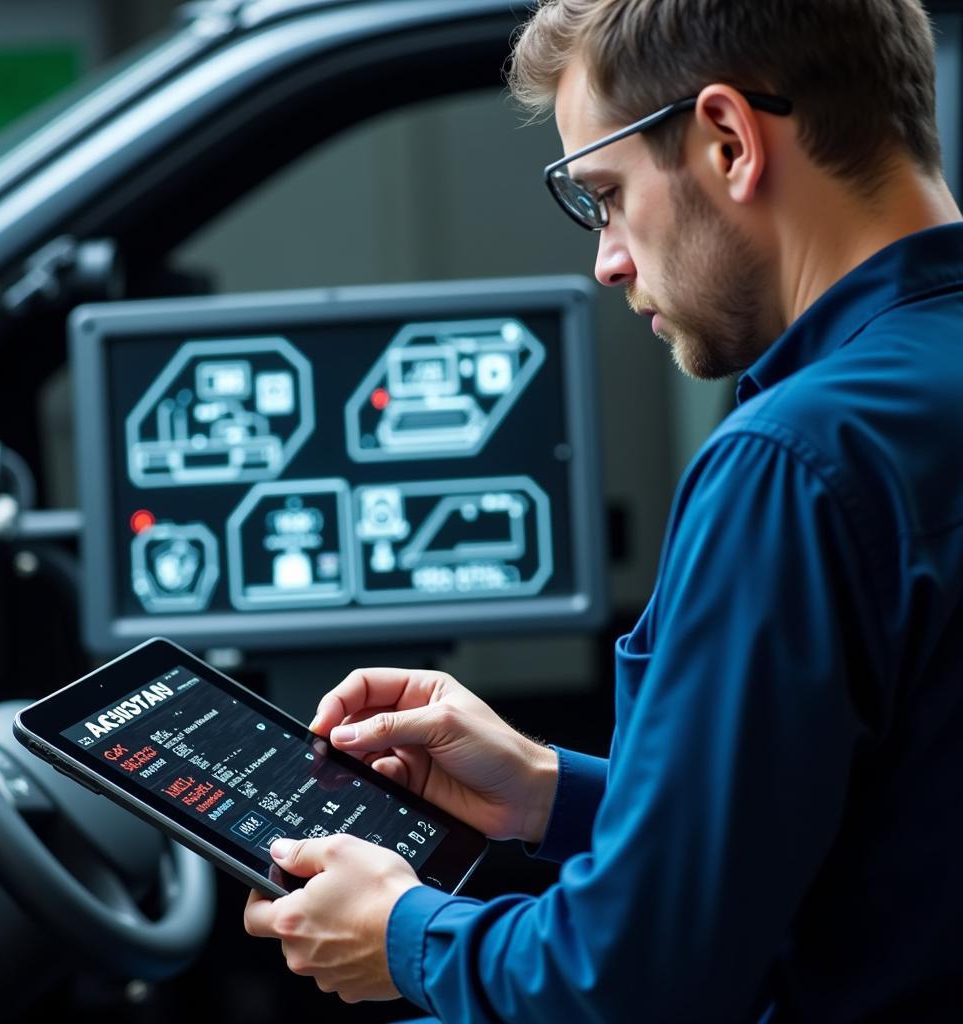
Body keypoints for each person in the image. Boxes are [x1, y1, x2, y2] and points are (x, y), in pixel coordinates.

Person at [243, 0, 963, 1019]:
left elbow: (631, 980)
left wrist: (403, 934)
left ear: (726, 139)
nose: (609, 259)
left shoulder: (793, 463)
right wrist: (550, 790)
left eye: (607, 197)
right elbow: (884, 832)